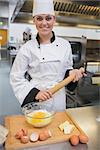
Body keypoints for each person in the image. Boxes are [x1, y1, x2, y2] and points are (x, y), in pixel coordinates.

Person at [10, 0, 85, 111]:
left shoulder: (65, 45)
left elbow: (66, 69)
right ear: (34, 20)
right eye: (39, 18)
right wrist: (35, 94)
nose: (44, 23)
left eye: (48, 18)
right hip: (37, 98)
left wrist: (72, 73)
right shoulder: (27, 48)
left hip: (58, 97)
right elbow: (16, 77)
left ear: (54, 20)